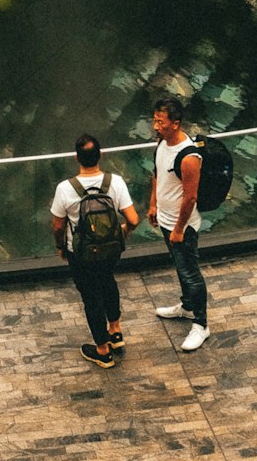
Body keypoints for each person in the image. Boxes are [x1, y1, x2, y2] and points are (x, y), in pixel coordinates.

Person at [51, 133, 139, 369]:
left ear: (76, 158)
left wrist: (61, 247)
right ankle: (116, 332)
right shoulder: (115, 182)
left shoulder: (65, 189)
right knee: (108, 282)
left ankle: (102, 351)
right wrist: (123, 233)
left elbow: (58, 225)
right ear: (100, 155)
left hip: (80, 253)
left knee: (91, 297)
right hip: (110, 250)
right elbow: (133, 218)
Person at [148, 96, 210, 352]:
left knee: (190, 273)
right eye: (154, 120)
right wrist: (153, 205)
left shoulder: (189, 157)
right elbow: (157, 174)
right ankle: (186, 306)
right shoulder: (162, 143)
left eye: (160, 122)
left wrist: (178, 229)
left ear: (175, 123)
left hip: (181, 226)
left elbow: (191, 196)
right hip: (166, 219)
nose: (155, 126)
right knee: (181, 267)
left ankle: (201, 324)